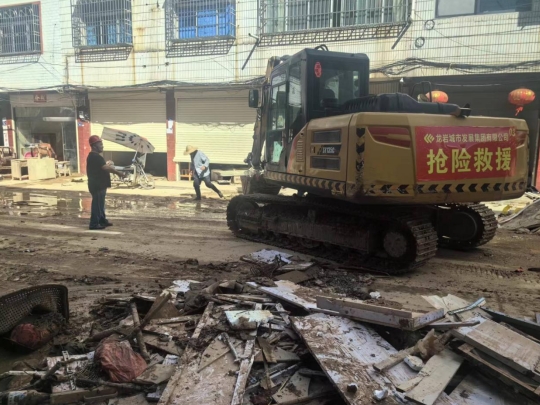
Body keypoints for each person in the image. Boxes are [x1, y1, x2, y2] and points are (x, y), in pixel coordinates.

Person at [87, 135, 126, 230]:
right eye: (100, 144)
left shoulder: (95, 157)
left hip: (99, 184)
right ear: (94, 146)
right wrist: (118, 173)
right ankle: (94, 224)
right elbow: (105, 167)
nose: (102, 146)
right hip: (97, 185)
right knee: (97, 204)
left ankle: (102, 220)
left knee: (100, 204)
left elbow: (101, 166)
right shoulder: (95, 156)